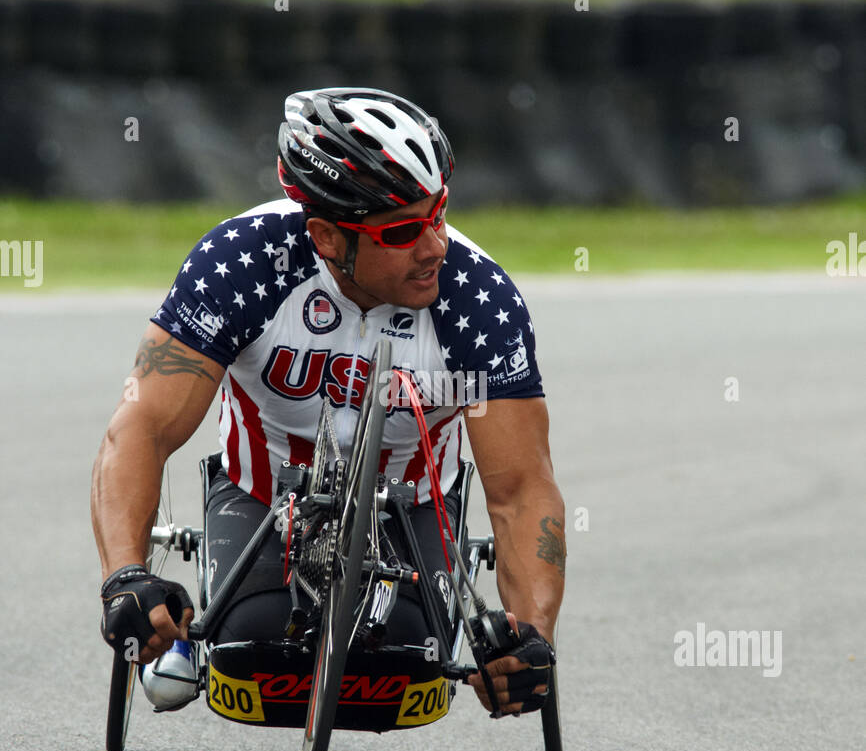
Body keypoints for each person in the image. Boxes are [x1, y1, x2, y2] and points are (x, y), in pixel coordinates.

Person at [92, 87, 566, 717]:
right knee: (249, 649)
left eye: (439, 214)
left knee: (407, 660)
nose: (435, 247)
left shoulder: (478, 301)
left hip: (414, 503)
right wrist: (124, 577)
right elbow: (140, 428)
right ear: (327, 237)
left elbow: (522, 489)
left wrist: (531, 638)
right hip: (262, 494)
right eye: (401, 231)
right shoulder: (242, 265)